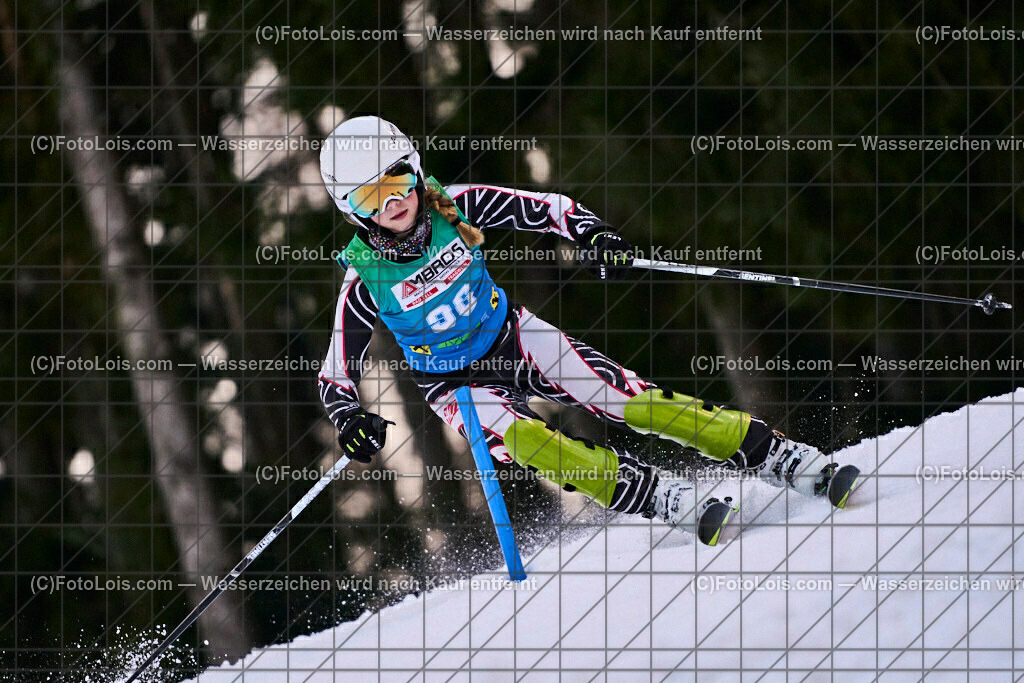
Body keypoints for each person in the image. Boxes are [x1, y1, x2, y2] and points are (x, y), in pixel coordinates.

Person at [317, 116, 857, 545]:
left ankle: (772, 453)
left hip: (513, 337)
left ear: (414, 170)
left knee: (627, 400)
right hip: (456, 386)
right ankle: (657, 495)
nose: (394, 202)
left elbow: (548, 209)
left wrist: (594, 234)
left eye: (398, 180)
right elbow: (336, 374)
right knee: (529, 443)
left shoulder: (455, 205)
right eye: (371, 197)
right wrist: (348, 417)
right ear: (353, 211)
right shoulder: (365, 279)